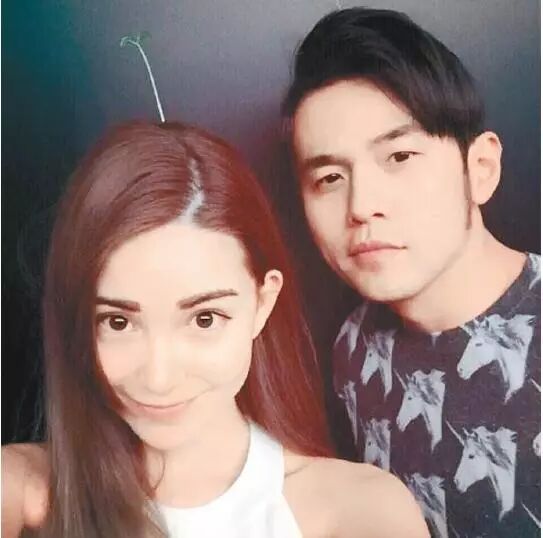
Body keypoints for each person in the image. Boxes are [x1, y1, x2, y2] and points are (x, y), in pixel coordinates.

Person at [1, 121, 428, 538]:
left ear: (262, 304)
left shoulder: (358, 511)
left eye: (204, 319)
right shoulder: (23, 488)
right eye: (119, 322)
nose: (159, 379)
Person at [283, 7, 540, 538]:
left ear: (480, 169)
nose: (362, 206)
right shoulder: (353, 348)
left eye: (399, 156)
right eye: (329, 178)